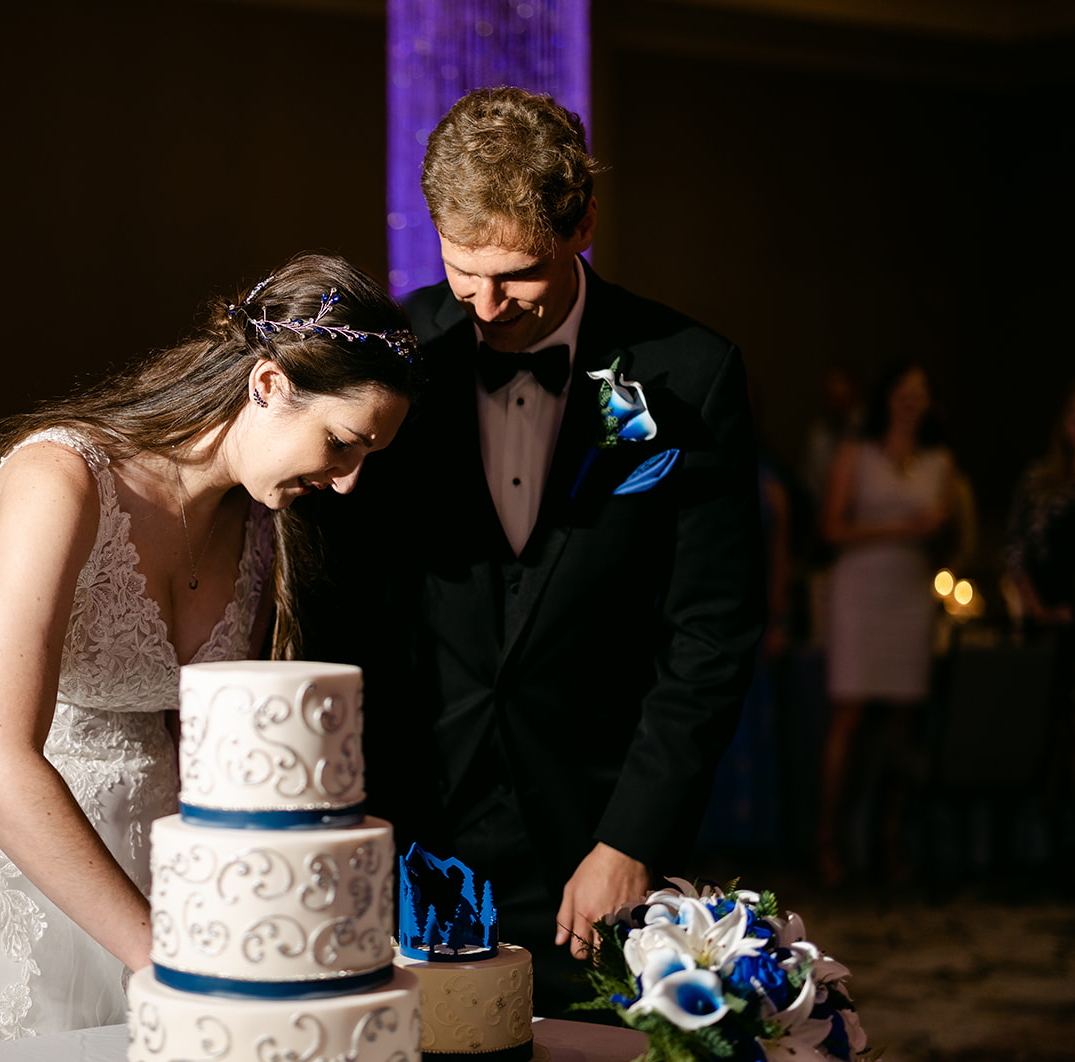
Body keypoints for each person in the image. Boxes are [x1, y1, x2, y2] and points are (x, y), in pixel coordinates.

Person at [0, 253, 418, 1062]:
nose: (350, 481)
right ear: (266, 385)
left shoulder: (261, 526)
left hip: (153, 863)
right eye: (342, 443)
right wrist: (158, 954)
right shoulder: (62, 479)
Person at [316, 87, 763, 1014]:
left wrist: (633, 836)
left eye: (515, 275)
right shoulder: (394, 353)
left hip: (595, 832)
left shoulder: (688, 372)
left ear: (583, 223)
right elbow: (348, 595)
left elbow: (710, 632)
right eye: (459, 271)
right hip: (415, 816)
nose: (483, 306)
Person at [817, 360, 958, 885]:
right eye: (904, 390)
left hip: (911, 594)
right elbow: (829, 528)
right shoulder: (857, 451)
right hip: (860, 592)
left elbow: (947, 538)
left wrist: (939, 530)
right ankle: (828, 842)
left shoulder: (939, 462)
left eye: (921, 393)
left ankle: (888, 843)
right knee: (849, 718)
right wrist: (900, 526)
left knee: (902, 724)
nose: (911, 400)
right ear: (887, 397)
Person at [1006, 376, 1075, 887]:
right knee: (1056, 736)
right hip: (1049, 623)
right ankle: (1058, 846)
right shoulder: (1041, 479)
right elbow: (1017, 546)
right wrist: (1040, 607)